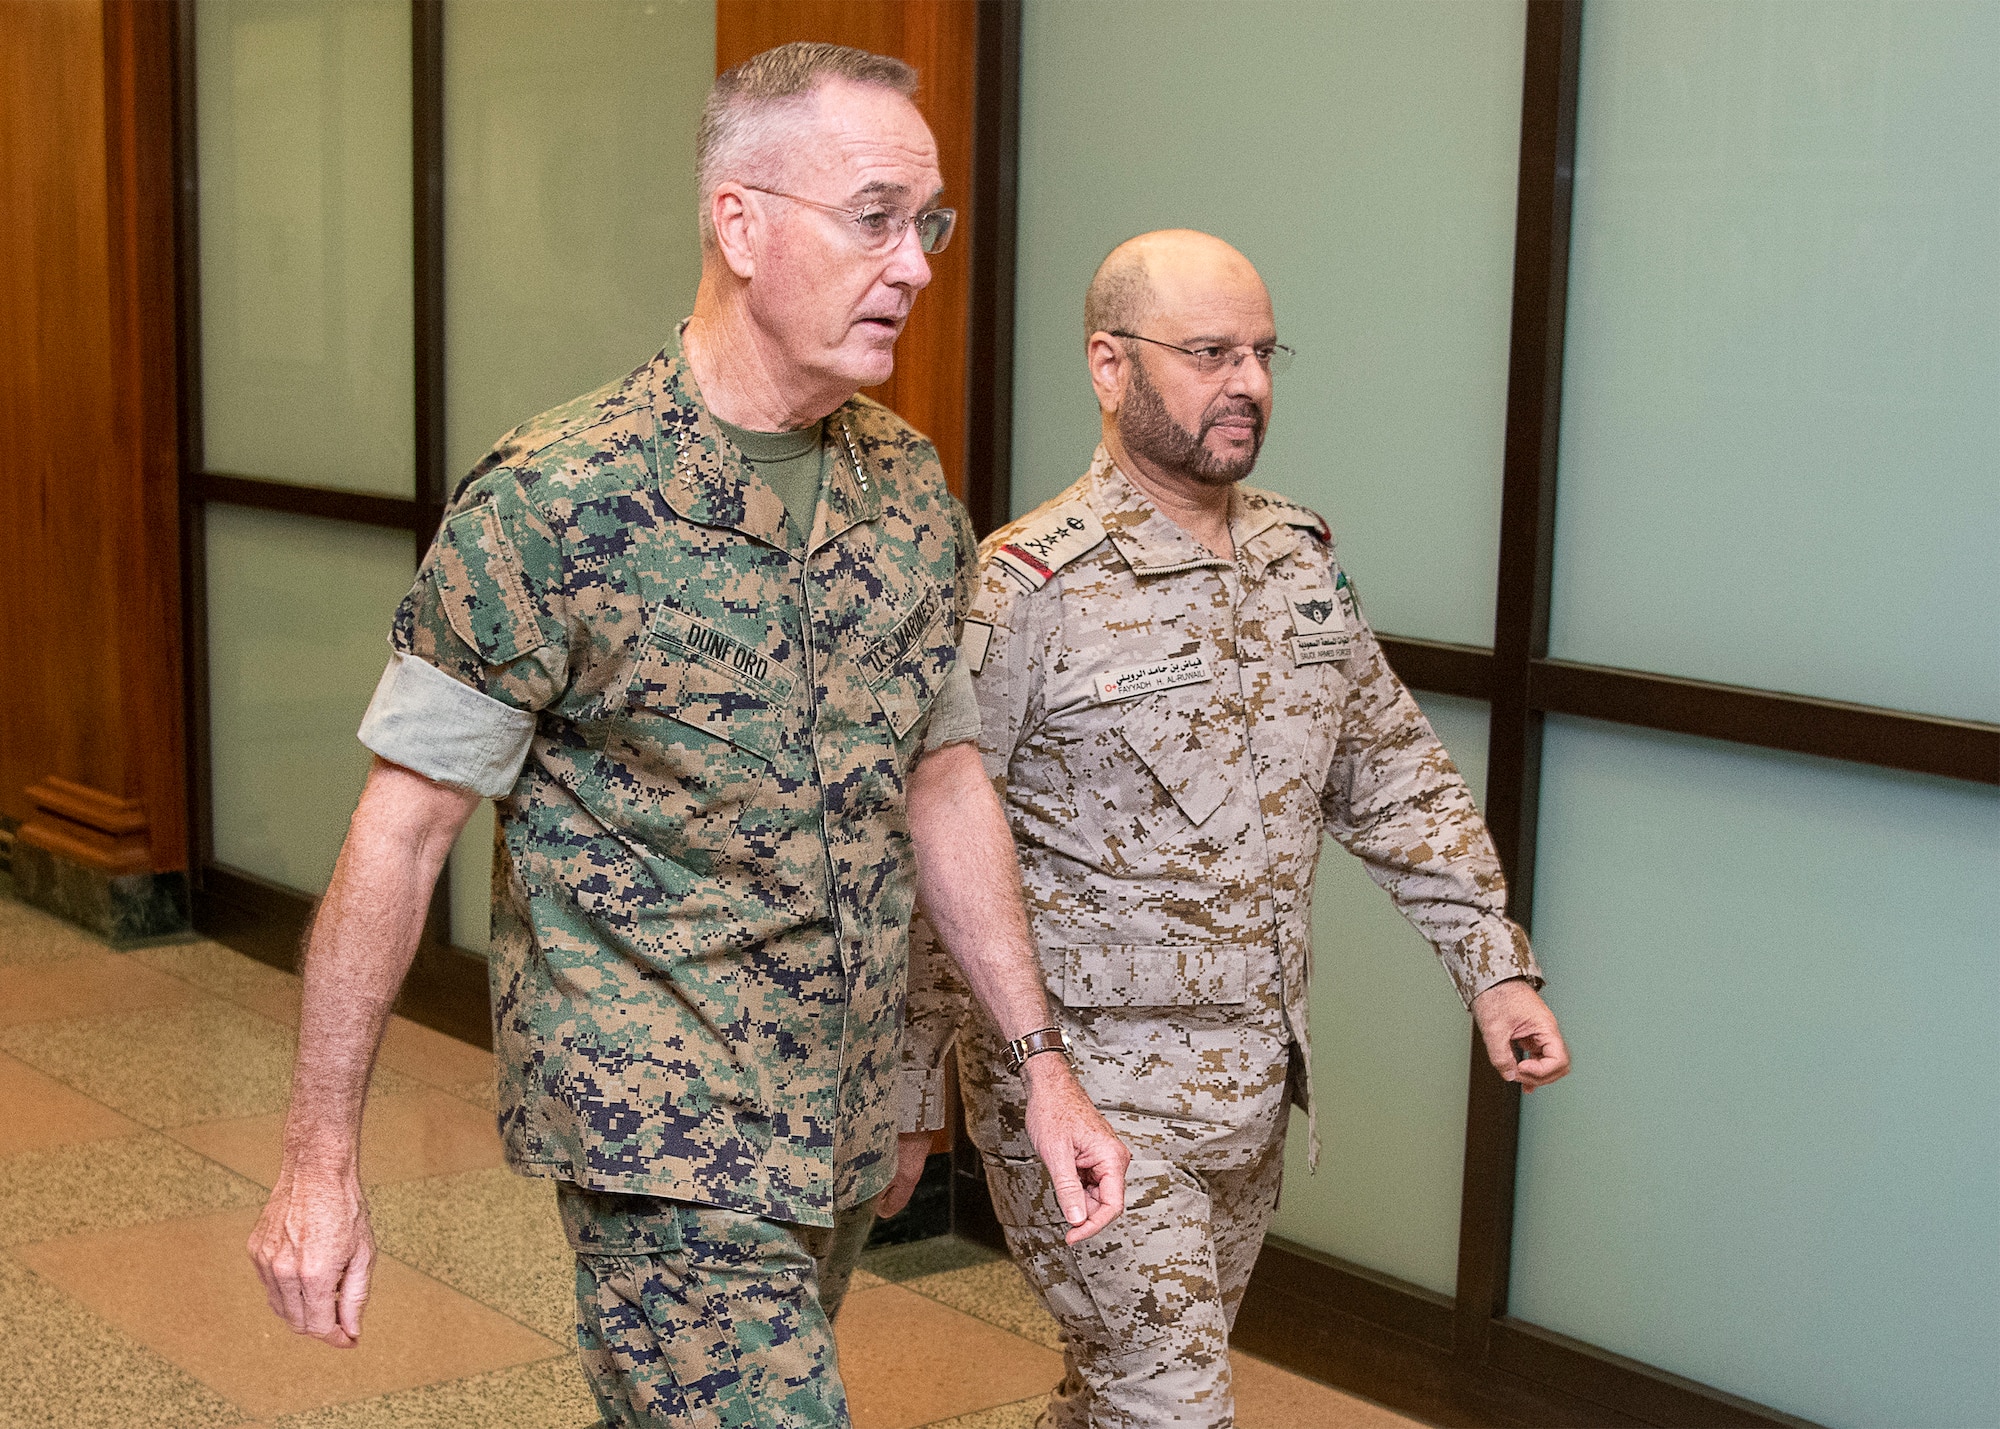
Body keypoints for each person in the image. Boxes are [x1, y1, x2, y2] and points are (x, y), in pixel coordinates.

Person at [246, 44, 1127, 1429]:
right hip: (655, 1134)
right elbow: (400, 832)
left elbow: (943, 782)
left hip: (829, 1123)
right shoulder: (557, 500)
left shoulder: (904, 488)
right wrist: (317, 1160)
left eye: (930, 223)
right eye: (876, 216)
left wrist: (1034, 1067)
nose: (915, 265)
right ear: (740, 221)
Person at [882, 229, 1571, 1428]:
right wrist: (900, 1098)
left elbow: (1389, 772)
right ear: (1109, 365)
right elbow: (935, 848)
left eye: (1259, 352)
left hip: (1252, 1091)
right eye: (1207, 353)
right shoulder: (1021, 589)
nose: (1245, 382)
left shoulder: (1293, 557)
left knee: (1122, 1396)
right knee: (1172, 1409)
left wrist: (1491, 967)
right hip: (1082, 1098)